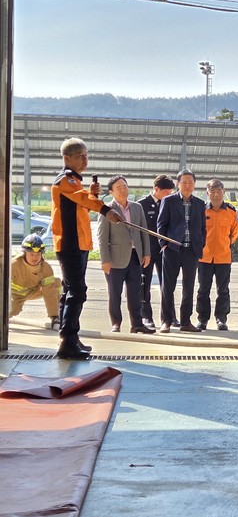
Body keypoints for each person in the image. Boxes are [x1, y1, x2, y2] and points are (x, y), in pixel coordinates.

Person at [51, 137, 123, 359]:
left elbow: (82, 205)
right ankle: (68, 340)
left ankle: (70, 338)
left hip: (78, 244)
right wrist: (105, 209)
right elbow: (83, 199)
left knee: (71, 290)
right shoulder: (65, 180)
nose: (85, 159)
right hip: (70, 243)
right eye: (80, 156)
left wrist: (92, 195)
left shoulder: (74, 182)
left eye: (86, 155)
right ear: (67, 158)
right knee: (77, 291)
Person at [97, 175, 154, 334]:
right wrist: (105, 260)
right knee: (115, 294)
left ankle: (137, 324)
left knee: (135, 293)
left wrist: (146, 253)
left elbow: (144, 231)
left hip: (136, 257)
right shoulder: (107, 210)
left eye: (125, 186)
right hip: (115, 259)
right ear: (111, 192)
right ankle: (116, 323)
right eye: (119, 188)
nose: (123, 190)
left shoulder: (137, 207)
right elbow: (102, 237)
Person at [157, 169, 206, 334]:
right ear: (178, 184)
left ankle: (186, 321)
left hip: (191, 250)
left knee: (189, 287)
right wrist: (164, 245)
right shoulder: (169, 201)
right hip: (172, 249)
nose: (187, 185)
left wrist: (200, 245)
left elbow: (202, 228)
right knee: (168, 287)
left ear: (194, 185)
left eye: (190, 182)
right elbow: (161, 225)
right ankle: (166, 321)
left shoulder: (199, 203)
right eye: (184, 182)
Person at [196, 179, 238, 331]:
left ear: (224, 192)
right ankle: (202, 319)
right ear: (207, 193)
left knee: (223, 290)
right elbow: (197, 232)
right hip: (204, 257)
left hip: (223, 257)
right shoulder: (201, 211)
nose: (216, 195)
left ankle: (221, 318)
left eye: (219, 191)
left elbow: (234, 233)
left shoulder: (231, 212)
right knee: (203, 289)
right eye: (212, 192)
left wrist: (225, 244)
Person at [139, 174, 176, 330]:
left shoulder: (171, 204)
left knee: (167, 285)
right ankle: (146, 317)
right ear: (156, 189)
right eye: (166, 193)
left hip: (164, 250)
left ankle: (170, 316)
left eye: (170, 193)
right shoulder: (141, 205)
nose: (169, 196)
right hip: (147, 251)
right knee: (144, 284)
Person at [10, 234, 61, 328]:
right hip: (15, 295)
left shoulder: (46, 268)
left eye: (38, 254)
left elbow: (49, 292)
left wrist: (54, 314)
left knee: (56, 282)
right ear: (24, 253)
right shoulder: (13, 265)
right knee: (10, 311)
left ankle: (57, 317)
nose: (35, 258)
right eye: (31, 254)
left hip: (34, 291)